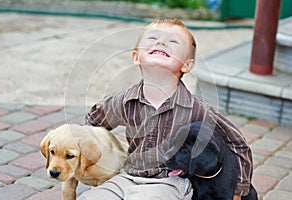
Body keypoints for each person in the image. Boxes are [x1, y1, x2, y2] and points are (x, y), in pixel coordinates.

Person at [78, 18, 253, 200]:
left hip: (169, 181)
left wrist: (239, 189)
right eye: (152, 38)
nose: (161, 42)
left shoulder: (196, 109)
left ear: (187, 65)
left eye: (173, 41)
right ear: (136, 57)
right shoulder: (123, 101)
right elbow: (91, 124)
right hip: (128, 175)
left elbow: (237, 143)